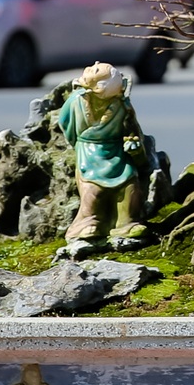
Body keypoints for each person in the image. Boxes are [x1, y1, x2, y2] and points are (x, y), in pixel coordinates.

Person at [57, 62, 149, 253]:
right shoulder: (76, 101)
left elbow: (131, 129)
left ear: (100, 88)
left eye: (97, 71)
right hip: (88, 150)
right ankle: (88, 224)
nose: (93, 66)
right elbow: (65, 123)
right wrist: (79, 144)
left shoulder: (122, 106)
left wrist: (132, 144)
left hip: (115, 150)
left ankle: (126, 222)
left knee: (129, 183)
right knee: (93, 189)